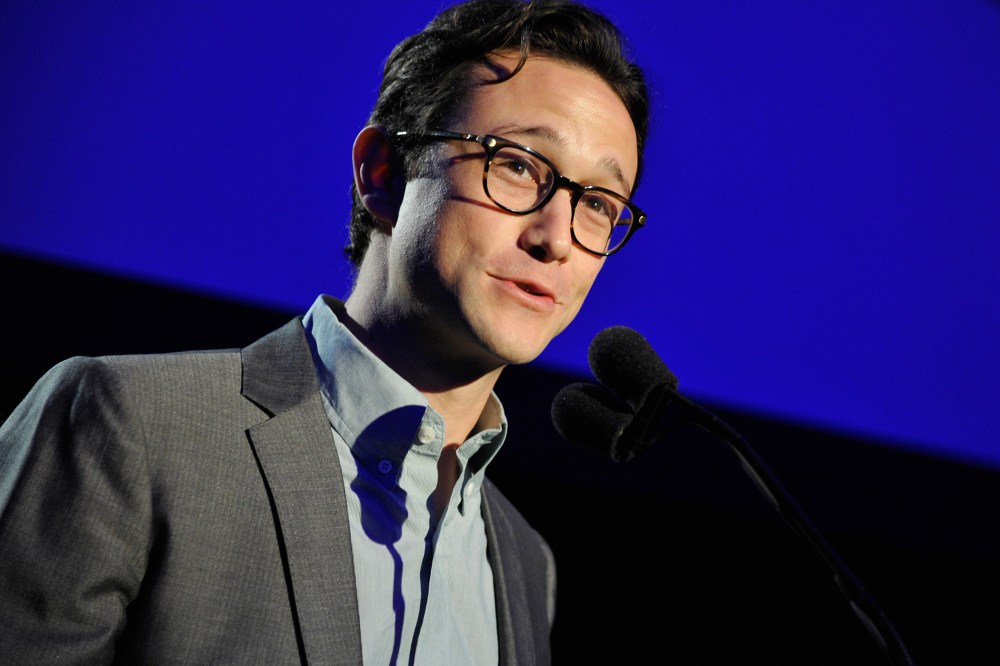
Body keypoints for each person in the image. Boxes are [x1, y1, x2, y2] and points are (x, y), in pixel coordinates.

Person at [0, 0, 650, 663]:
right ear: (383, 175)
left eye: (597, 204)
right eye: (518, 164)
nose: (554, 239)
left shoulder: (524, 564)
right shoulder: (132, 428)